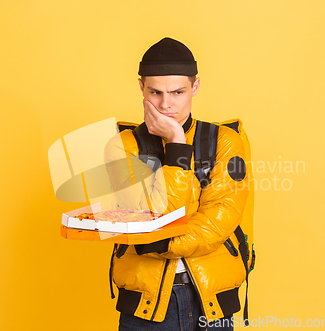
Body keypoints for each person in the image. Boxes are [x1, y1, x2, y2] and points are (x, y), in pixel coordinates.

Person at [105, 37, 252, 331]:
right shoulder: (122, 146)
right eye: (155, 92)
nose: (165, 104)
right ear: (141, 87)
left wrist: (159, 241)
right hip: (144, 306)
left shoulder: (225, 141)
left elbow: (219, 220)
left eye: (177, 92)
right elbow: (155, 213)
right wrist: (176, 145)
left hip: (210, 302)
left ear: (195, 87)